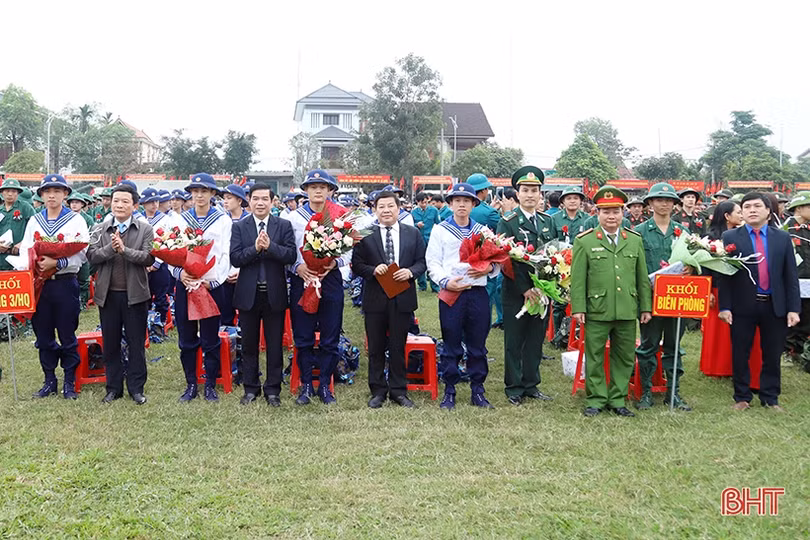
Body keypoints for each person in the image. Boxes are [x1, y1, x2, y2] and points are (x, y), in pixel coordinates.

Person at [571, 185, 652, 417]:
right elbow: (578, 278)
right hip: (597, 308)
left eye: (615, 211)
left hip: (627, 308)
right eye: (606, 211)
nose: (611, 216)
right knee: (595, 355)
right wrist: (578, 307)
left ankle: (617, 399)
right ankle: (596, 399)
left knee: (624, 356)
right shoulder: (585, 241)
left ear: (623, 212)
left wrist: (645, 306)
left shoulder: (634, 240)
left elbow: (641, 276)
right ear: (597, 213)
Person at [719, 192, 800, 412]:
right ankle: (742, 396)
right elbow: (725, 276)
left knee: (772, 354)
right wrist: (724, 306)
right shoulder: (730, 238)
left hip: (774, 305)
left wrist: (793, 308)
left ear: (768, 211)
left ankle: (770, 397)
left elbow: (790, 276)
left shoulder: (782, 238)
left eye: (757, 206)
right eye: (747, 207)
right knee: (740, 352)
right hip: (742, 305)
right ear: (742, 212)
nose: (752, 210)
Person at [427, 182, 500, 409]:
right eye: (457, 201)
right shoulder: (440, 230)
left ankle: (478, 389)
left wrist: (489, 269)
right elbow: (433, 261)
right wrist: (446, 281)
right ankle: (450, 389)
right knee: (451, 343)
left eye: (466, 201)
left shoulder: (483, 231)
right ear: (450, 204)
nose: (461, 205)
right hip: (452, 293)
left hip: (477, 292)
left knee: (478, 343)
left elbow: (495, 261)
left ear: (473, 204)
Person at [352, 189, 426, 408]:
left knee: (397, 345)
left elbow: (422, 261)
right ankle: (377, 390)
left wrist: (411, 272)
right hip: (375, 297)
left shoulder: (412, 233)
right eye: (381, 206)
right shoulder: (364, 233)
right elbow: (356, 265)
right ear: (374, 209)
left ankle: (398, 390)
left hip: (402, 297)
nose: (386, 210)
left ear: (398, 208)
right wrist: (373, 270)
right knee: (375, 347)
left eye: (390, 206)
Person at [18, 175, 89, 399]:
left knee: (67, 333)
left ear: (65, 194)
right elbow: (26, 249)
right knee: (43, 333)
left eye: (57, 191)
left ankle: (69, 381)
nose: (52, 195)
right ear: (41, 195)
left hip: (65, 282)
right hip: (41, 284)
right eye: (47, 191)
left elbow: (82, 254)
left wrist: (57, 263)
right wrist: (34, 265)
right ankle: (49, 379)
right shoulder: (35, 221)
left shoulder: (75, 220)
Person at [87, 183, 154, 405]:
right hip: (108, 295)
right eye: (116, 200)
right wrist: (111, 249)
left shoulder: (145, 229)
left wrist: (124, 251)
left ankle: (136, 388)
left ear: (134, 206)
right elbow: (92, 257)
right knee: (111, 342)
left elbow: (148, 258)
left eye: (125, 201)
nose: (119, 205)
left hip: (135, 295)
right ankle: (113, 388)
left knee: (136, 343)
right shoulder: (100, 228)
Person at [230, 183, 297, 406]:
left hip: (274, 293)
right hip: (248, 294)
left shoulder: (283, 225)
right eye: (256, 199)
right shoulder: (240, 227)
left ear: (272, 201)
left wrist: (270, 247)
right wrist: (256, 249)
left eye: (264, 199)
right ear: (249, 201)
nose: (260, 203)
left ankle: (273, 390)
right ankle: (250, 388)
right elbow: (235, 258)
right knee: (249, 344)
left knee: (275, 344)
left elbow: (290, 256)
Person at [287, 170, 349, 405]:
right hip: (303, 279)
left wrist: (335, 262)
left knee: (330, 335)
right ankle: (305, 385)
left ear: (330, 190)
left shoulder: (339, 215)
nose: (318, 190)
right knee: (303, 336)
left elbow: (350, 246)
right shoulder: (294, 217)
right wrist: (297, 267)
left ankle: (324, 385)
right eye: (313, 186)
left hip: (329, 277)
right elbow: (289, 248)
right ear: (306, 190)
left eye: (323, 186)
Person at [169, 173, 232, 403]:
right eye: (195, 191)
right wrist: (180, 274)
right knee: (186, 336)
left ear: (213, 194)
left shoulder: (223, 220)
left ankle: (210, 385)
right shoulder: (178, 219)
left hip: (210, 285)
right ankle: (191, 383)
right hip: (185, 284)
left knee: (210, 337)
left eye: (204, 191)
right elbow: (170, 251)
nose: (199, 195)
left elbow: (225, 254)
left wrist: (213, 281)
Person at [496, 166, 555, 406]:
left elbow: (555, 256)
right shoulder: (508, 222)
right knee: (514, 341)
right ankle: (514, 387)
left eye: (535, 190)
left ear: (541, 194)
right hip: (516, 292)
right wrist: (525, 289)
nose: (530, 195)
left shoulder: (547, 221)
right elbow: (505, 259)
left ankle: (531, 384)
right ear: (517, 194)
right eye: (525, 190)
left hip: (543, 293)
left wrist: (548, 286)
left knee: (535, 339)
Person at [634, 182, 691, 410]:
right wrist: (643, 302)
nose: (664, 203)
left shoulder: (684, 232)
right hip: (650, 297)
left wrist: (692, 269)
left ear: (675, 205)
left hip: (678, 298)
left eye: (669, 200)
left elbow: (693, 262)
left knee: (673, 346)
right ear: (650, 204)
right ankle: (646, 391)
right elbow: (636, 268)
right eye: (659, 200)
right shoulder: (638, 233)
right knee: (648, 345)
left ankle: (673, 393)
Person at [468, 174, 503, 329]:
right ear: (483, 191)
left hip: (464, 259)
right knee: (486, 296)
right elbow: (504, 230)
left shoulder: (459, 209)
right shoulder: (489, 213)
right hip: (484, 261)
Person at [783, 192, 810, 373]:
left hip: (809, 280)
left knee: (807, 317)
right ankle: (786, 351)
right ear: (798, 209)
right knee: (792, 318)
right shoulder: (785, 229)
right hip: (793, 281)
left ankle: (800, 351)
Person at [140, 187, 173, 330]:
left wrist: (157, 263)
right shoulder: (138, 218)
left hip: (160, 263)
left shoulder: (166, 220)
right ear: (143, 204)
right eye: (150, 202)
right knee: (143, 296)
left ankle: (160, 325)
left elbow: (170, 242)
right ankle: (145, 325)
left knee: (161, 296)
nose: (154, 205)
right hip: (141, 262)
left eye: (156, 201)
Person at [220, 184, 251, 326]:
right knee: (225, 310)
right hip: (224, 273)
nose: (225, 201)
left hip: (245, 271)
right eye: (224, 198)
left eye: (229, 198)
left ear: (240, 201)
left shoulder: (250, 220)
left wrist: (240, 270)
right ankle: (227, 341)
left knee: (246, 312)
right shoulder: (220, 220)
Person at [0, 177, 36, 271]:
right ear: (2, 192)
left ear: (18, 193)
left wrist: (22, 244)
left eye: (13, 191)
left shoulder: (25, 208)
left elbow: (36, 229)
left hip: (19, 258)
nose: (10, 194)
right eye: (7, 191)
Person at [410, 191, 440, 292]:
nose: (424, 204)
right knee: (420, 261)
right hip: (419, 240)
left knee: (432, 262)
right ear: (417, 202)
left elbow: (438, 224)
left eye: (426, 202)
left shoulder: (434, 211)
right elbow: (409, 226)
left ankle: (435, 286)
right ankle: (422, 285)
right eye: (421, 203)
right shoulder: (413, 212)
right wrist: (416, 225)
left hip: (431, 240)